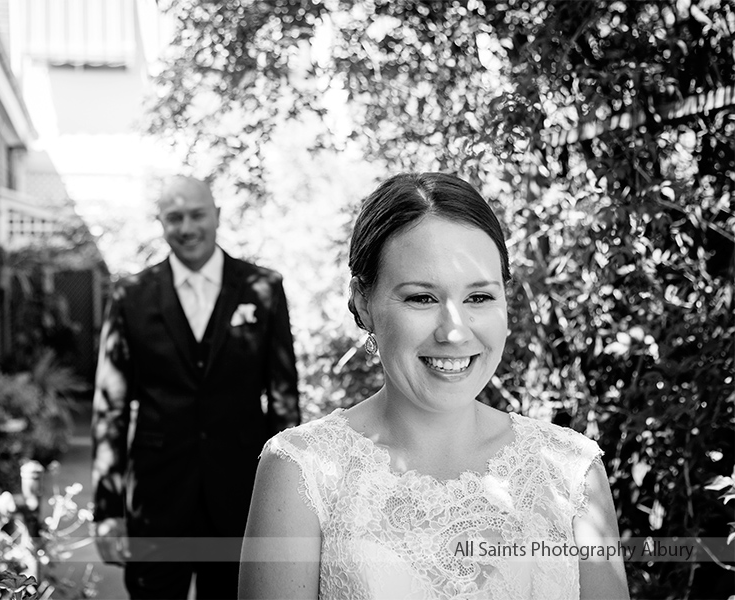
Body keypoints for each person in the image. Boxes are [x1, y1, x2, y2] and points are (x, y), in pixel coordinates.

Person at [239, 173, 629, 599]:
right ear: (363, 303)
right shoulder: (302, 472)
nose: (454, 332)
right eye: (422, 298)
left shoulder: (571, 471)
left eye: (478, 297)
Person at [92, 175, 301, 599]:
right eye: (174, 218)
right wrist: (108, 509)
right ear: (161, 223)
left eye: (196, 215)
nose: (186, 228)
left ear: (217, 215)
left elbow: (283, 400)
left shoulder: (262, 288)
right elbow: (110, 407)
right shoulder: (130, 295)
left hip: (240, 495)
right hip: (156, 499)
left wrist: (290, 503)